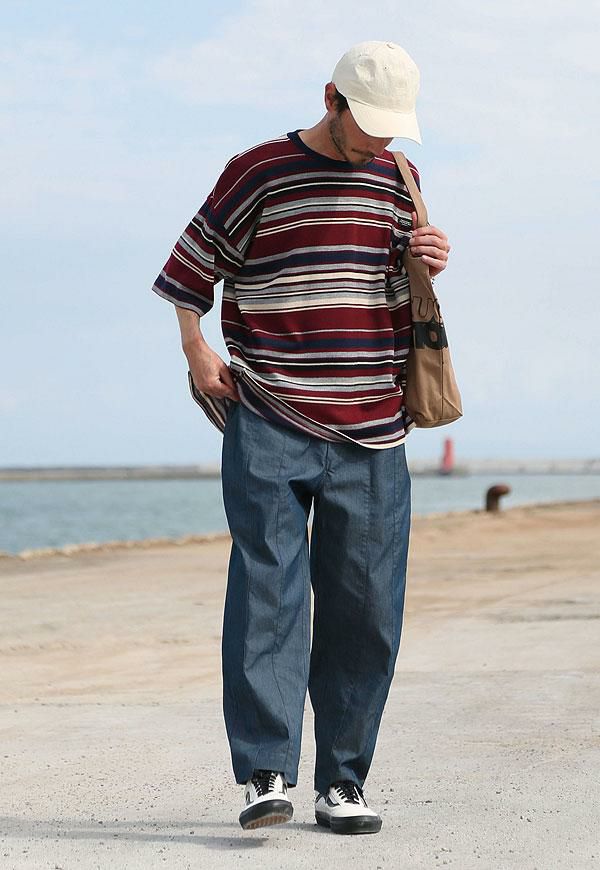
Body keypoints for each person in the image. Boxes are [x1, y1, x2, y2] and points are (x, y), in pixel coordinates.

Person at [151, 40, 450, 835]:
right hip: (270, 416)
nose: (379, 140)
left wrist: (428, 259)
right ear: (330, 98)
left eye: (392, 127)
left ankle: (342, 783)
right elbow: (190, 266)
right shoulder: (258, 171)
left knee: (367, 611)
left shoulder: (400, 178)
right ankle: (266, 773)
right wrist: (195, 349)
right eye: (368, 123)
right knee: (267, 598)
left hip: (374, 429)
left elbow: (391, 288)